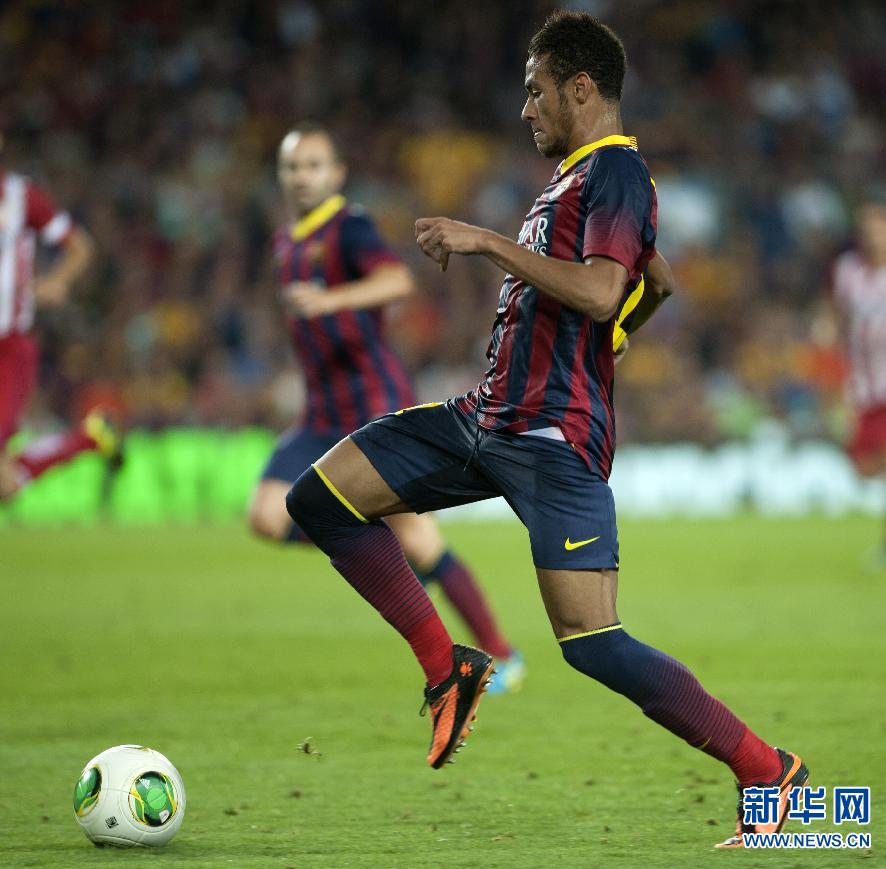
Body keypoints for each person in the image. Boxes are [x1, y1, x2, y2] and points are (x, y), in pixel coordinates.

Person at [284, 11, 808, 847]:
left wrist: (490, 242)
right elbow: (652, 282)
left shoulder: (618, 175)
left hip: (552, 440)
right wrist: (623, 330)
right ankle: (447, 667)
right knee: (319, 498)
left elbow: (606, 291)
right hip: (484, 416)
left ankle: (767, 770)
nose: (525, 108)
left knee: (593, 643)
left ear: (582, 88)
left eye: (535, 92)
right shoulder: (571, 178)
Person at [248, 125, 524, 692]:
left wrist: (330, 299)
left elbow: (397, 281)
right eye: (293, 168)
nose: (303, 177)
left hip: (373, 405)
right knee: (267, 516)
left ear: (337, 174)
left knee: (422, 541)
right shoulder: (285, 244)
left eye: (315, 166)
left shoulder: (349, 227)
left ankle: (501, 654)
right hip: (320, 414)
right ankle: (361, 528)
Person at [0, 134, 119, 502]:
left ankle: (90, 438)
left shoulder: (22, 198)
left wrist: (55, 282)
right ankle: (91, 438)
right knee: (6, 485)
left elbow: (79, 246)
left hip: (8, 349)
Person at [829, 199, 886, 563]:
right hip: (863, 389)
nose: (874, 236)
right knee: (863, 469)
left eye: (881, 229)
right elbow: (840, 321)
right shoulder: (848, 272)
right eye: (867, 230)